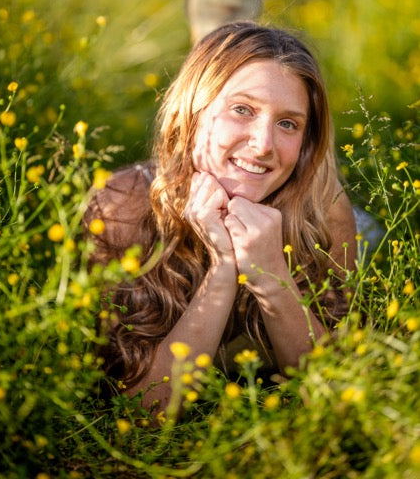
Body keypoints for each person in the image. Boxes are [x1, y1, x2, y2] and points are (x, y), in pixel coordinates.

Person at [84, 21, 356, 413]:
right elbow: (143, 412)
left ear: (307, 139)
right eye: (242, 109)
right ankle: (212, 9)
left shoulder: (325, 214)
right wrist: (224, 268)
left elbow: (336, 396)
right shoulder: (119, 205)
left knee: (367, 228)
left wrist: (269, 275)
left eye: (288, 124)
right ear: (191, 113)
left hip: (331, 213)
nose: (263, 144)